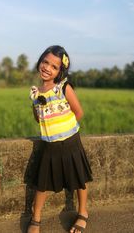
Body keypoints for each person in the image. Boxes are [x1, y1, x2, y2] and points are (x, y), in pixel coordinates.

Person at [28, 45, 93, 233]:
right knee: (43, 183)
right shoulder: (35, 93)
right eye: (45, 62)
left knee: (79, 178)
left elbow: (78, 112)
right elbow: (38, 117)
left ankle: (82, 212)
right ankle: (36, 217)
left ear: (60, 71)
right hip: (49, 145)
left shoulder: (63, 88)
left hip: (71, 142)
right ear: (40, 62)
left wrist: (63, 129)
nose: (47, 67)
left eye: (54, 66)